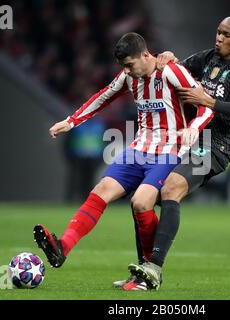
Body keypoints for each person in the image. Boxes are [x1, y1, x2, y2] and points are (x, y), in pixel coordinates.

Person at [33, 33, 214, 288]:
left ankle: (149, 271)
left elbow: (207, 105)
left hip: (169, 150)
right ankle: (63, 247)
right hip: (138, 149)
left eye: (130, 64)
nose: (127, 71)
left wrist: (194, 126)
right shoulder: (129, 77)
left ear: (145, 55)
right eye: (123, 67)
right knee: (101, 190)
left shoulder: (171, 72)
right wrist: (71, 121)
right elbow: (103, 96)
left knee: (140, 202)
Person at [122, 16, 230, 290]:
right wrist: (169, 57)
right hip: (185, 139)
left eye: (227, 35)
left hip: (213, 145)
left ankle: (154, 268)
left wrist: (209, 101)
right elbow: (175, 70)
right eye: (218, 33)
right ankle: (142, 270)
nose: (219, 38)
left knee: (171, 188)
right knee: (144, 195)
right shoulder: (207, 58)